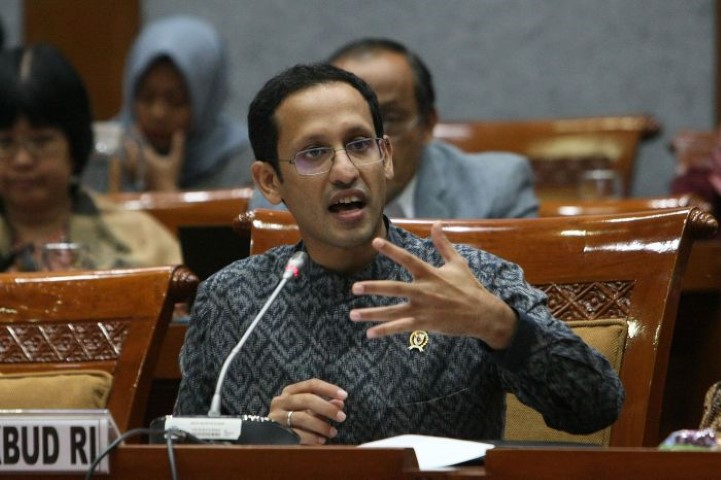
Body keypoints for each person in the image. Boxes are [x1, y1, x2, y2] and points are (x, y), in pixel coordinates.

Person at [174, 63, 624, 445]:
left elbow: (596, 405)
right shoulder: (231, 299)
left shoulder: (468, 281)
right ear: (270, 181)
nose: (345, 171)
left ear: (385, 156)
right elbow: (181, 450)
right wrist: (260, 440)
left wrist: (501, 327)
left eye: (359, 144)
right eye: (314, 153)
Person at [249, 37, 538, 219]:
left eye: (389, 119)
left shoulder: (497, 187)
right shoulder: (281, 195)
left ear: (427, 124)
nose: (347, 166)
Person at [0, 44, 181, 272]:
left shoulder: (141, 241)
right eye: (5, 143)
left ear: (75, 145)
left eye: (40, 142)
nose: (22, 160)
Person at [103, 15, 253, 192]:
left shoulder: (245, 163)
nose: (158, 113)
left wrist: (163, 188)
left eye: (176, 101)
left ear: (206, 100)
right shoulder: (104, 152)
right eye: (146, 97)